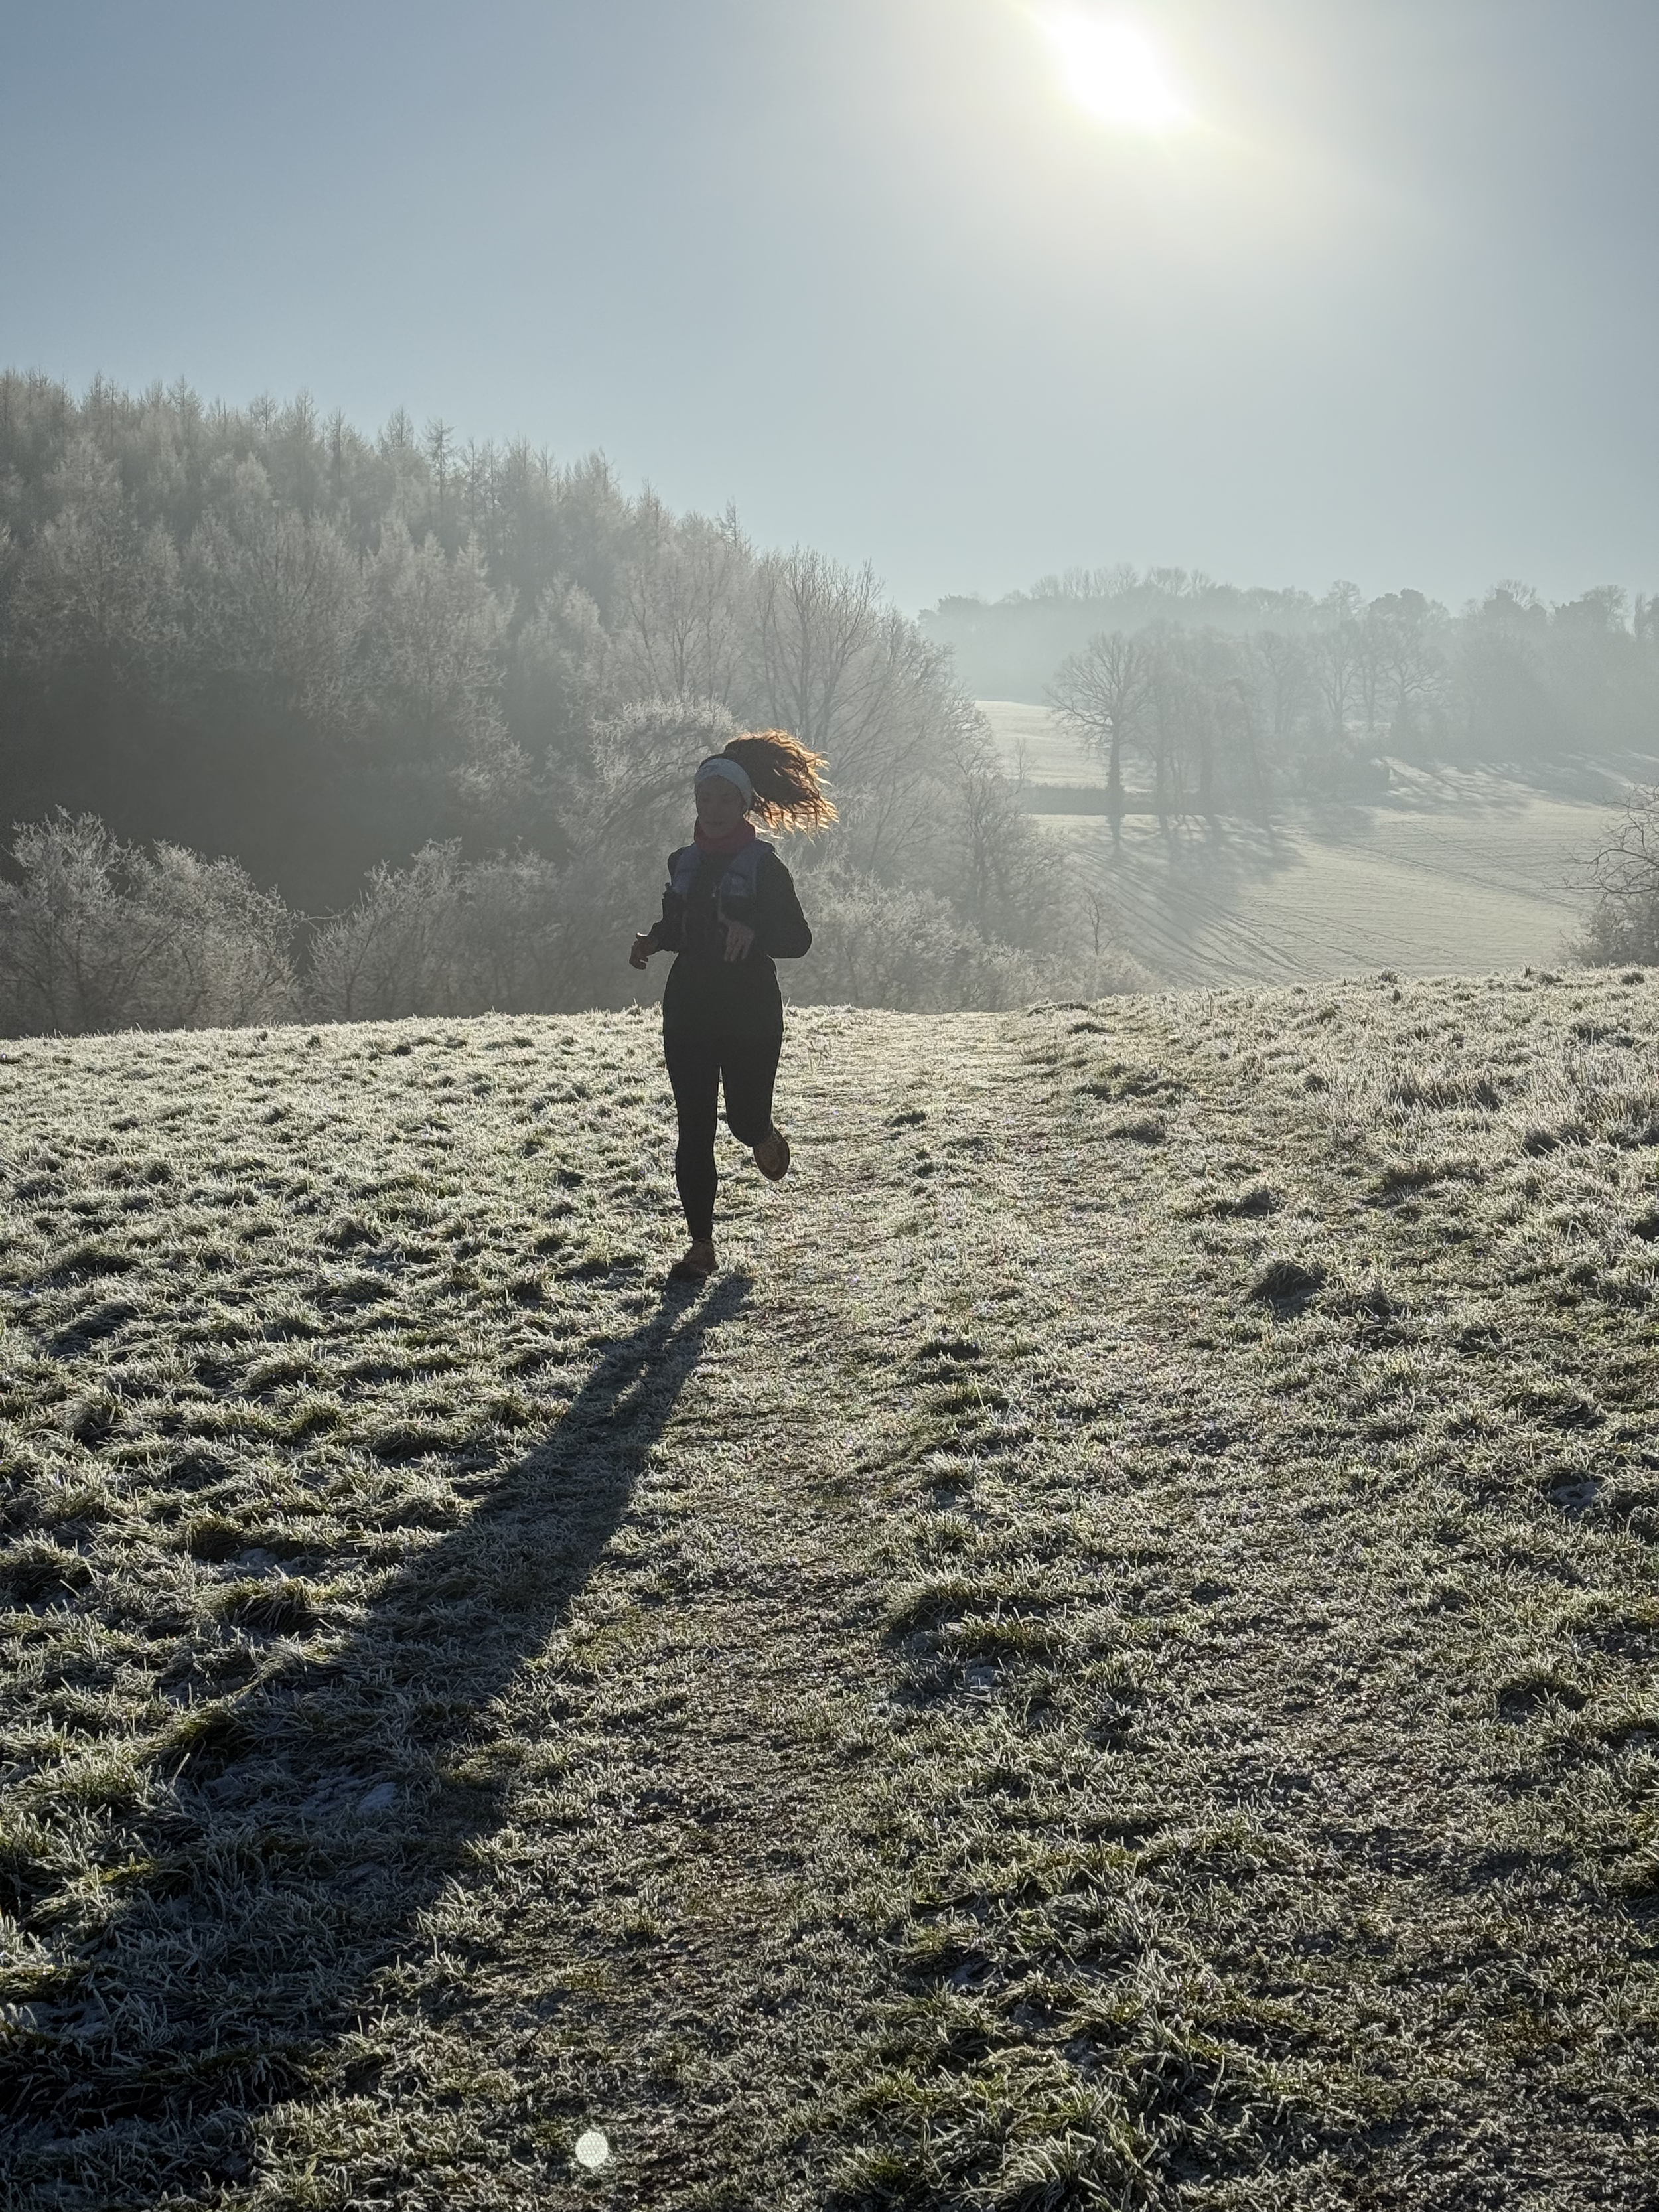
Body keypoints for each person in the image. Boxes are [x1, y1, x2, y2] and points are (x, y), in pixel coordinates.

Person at [629, 731, 834, 1281]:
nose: (714, 810)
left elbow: (797, 938)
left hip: (750, 1015)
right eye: (705, 799)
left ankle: (763, 1133)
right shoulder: (683, 862)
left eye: (726, 800)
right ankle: (701, 1245)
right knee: (693, 1128)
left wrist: (753, 926)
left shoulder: (766, 867)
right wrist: (651, 941)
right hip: (690, 1012)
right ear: (696, 804)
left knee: (743, 1123)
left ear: (745, 805)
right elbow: (679, 925)